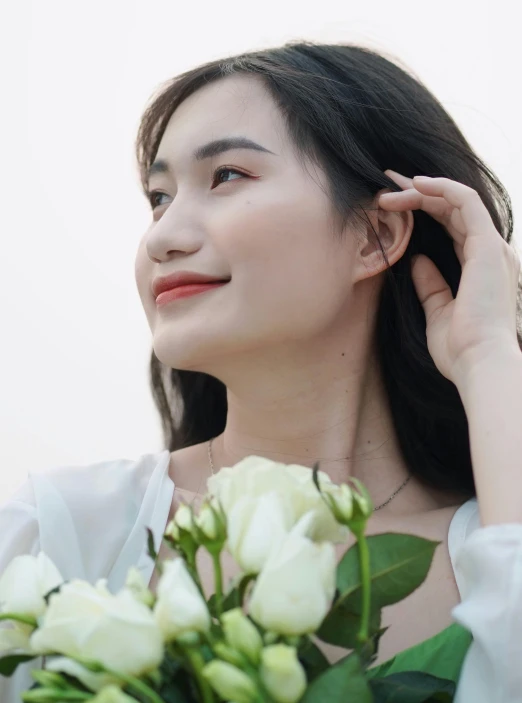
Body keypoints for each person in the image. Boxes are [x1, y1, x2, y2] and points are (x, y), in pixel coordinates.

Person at [1, 41, 522, 702]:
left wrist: (490, 361)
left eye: (225, 176)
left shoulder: (496, 541)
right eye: (159, 197)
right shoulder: (66, 531)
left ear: (373, 236)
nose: (162, 236)